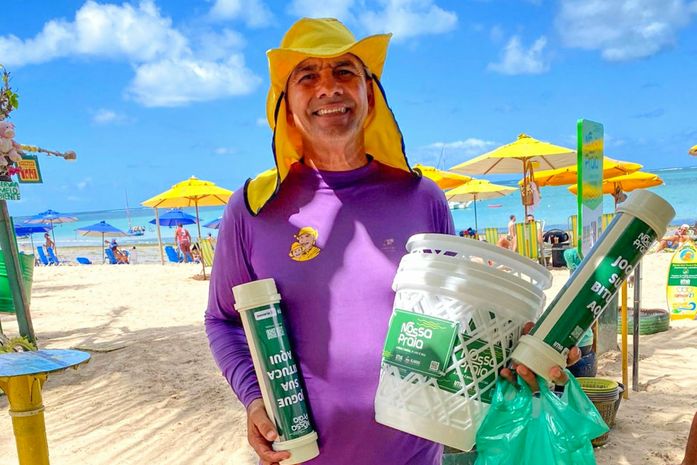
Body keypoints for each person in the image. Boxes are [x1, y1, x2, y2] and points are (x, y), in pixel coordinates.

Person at [204, 18, 575, 465]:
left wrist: (521, 343)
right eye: (308, 77)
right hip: (299, 457)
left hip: (413, 455)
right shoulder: (254, 207)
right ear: (284, 102)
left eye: (345, 72)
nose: (328, 88)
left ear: (369, 92)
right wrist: (253, 397)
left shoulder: (422, 198)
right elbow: (222, 321)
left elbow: (457, 321)